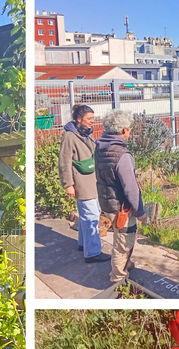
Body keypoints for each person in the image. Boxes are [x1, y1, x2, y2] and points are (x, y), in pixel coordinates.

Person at [94, 109, 147, 287]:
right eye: (130, 128)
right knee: (122, 243)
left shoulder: (100, 147)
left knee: (121, 237)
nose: (130, 132)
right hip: (121, 207)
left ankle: (126, 265)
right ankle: (118, 279)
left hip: (106, 202)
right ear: (123, 130)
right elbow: (131, 188)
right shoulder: (122, 155)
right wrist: (140, 211)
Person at [59, 104, 106, 264]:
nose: (93, 121)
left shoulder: (84, 133)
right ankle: (92, 253)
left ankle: (83, 244)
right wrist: (68, 184)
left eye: (93, 118)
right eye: (89, 119)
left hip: (90, 181)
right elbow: (64, 162)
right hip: (81, 182)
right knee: (91, 216)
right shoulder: (70, 137)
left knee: (86, 214)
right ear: (79, 119)